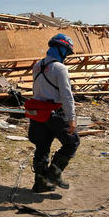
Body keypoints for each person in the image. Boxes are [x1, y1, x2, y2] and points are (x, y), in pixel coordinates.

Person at [26, 33, 79, 193]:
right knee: (72, 143)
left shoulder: (37, 65)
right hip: (55, 113)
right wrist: (71, 118)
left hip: (38, 113)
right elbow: (66, 95)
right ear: (62, 50)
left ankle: (40, 184)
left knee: (42, 147)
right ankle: (53, 175)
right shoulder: (60, 68)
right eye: (67, 52)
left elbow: (38, 90)